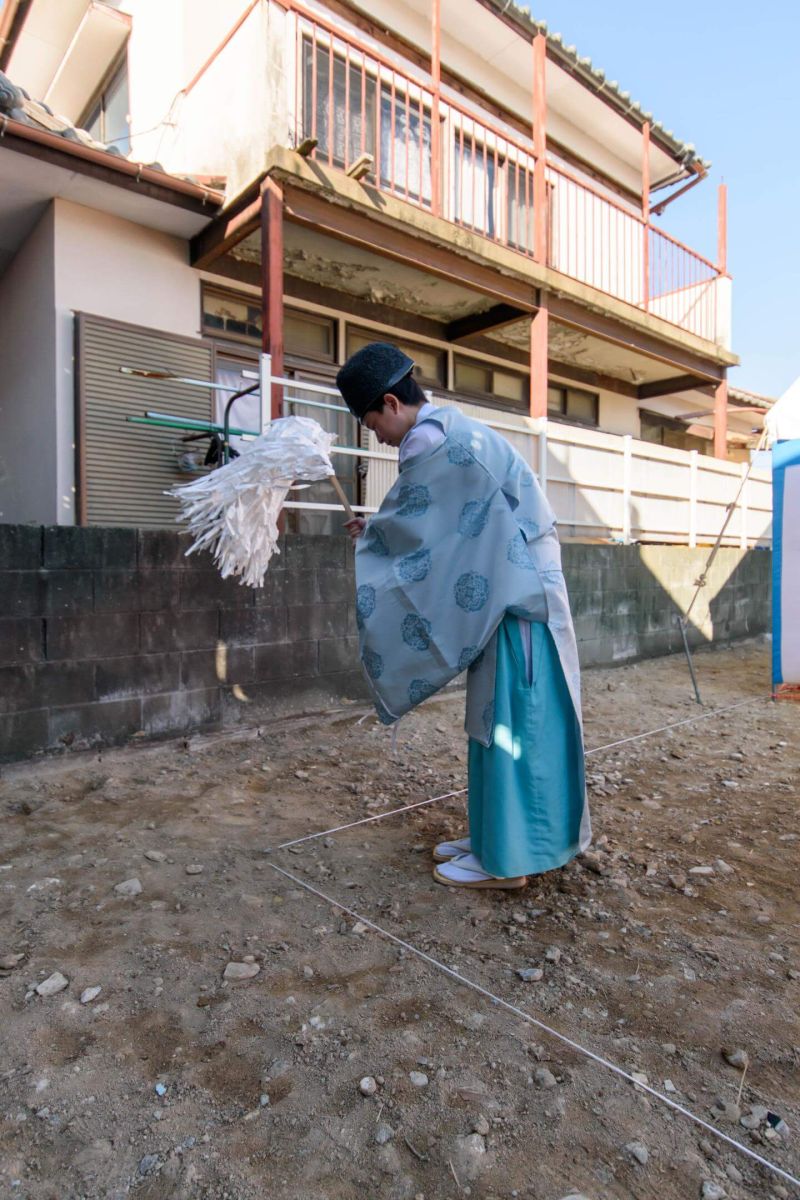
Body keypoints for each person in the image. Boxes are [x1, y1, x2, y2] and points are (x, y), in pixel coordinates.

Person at [336, 342, 590, 889]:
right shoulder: (453, 428)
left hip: (520, 598)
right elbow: (443, 526)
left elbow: (438, 534)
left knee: (512, 724)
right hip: (514, 587)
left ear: (390, 402)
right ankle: (493, 838)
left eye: (371, 421)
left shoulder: (429, 442)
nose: (375, 435)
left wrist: (378, 539)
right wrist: (378, 530)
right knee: (493, 719)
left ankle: (510, 861)